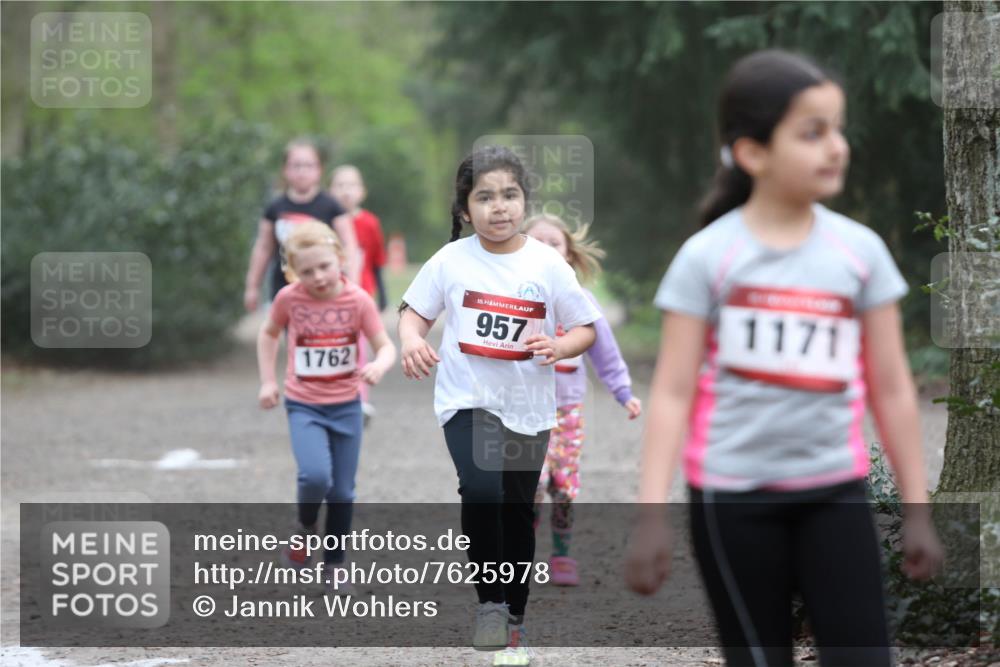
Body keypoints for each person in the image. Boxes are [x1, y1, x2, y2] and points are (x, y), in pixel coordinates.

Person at [624, 50, 943, 667]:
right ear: (752, 153)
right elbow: (672, 393)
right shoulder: (707, 258)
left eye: (838, 129)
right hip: (731, 503)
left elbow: (893, 389)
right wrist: (651, 519)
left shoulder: (860, 253)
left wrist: (918, 511)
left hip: (835, 497)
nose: (836, 148)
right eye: (812, 132)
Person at [398, 146, 600, 666]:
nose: (499, 206)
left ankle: (514, 619)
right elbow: (413, 314)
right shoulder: (450, 260)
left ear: (523, 201)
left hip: (529, 407)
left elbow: (585, 328)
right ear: (465, 210)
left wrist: (558, 346)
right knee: (482, 486)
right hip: (468, 401)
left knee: (516, 510)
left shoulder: (546, 263)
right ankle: (489, 602)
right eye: (484, 197)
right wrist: (411, 341)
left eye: (509, 194)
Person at [257, 221, 395, 595]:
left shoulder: (358, 300)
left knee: (342, 492)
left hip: (347, 405)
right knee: (315, 476)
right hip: (304, 404)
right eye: (306, 271)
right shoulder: (290, 299)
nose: (317, 277)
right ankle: (304, 529)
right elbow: (268, 334)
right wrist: (268, 380)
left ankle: (334, 564)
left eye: (324, 266)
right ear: (292, 272)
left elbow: (385, 345)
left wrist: (378, 366)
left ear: (340, 259)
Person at [523, 214, 641, 586]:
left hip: (567, 410)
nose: (546, 250)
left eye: (554, 243)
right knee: (533, 483)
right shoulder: (513, 301)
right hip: (524, 410)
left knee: (564, 487)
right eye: (535, 243)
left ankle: (561, 553)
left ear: (569, 255)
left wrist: (623, 392)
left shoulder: (582, 302)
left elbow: (605, 353)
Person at [244, 138, 361, 312]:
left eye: (308, 165)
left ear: (319, 169)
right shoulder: (275, 208)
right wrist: (252, 286)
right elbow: (263, 247)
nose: (302, 171)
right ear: (285, 169)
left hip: (325, 287)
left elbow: (349, 245)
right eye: (296, 165)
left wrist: (353, 284)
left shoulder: (332, 206)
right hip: (285, 288)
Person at [330, 165, 388, 425]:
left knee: (360, 348)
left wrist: (383, 292)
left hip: (361, 295)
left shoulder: (370, 223)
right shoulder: (326, 222)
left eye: (351, 185)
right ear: (330, 191)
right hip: (329, 298)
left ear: (362, 192)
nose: (345, 191)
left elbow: (376, 260)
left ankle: (360, 398)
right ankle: (333, 396)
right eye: (339, 185)